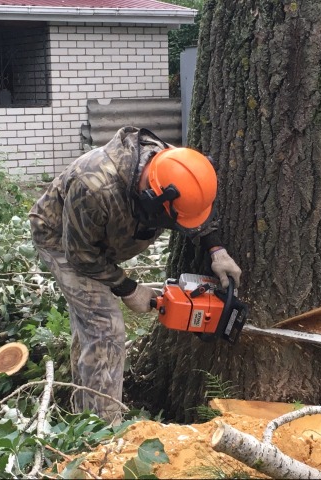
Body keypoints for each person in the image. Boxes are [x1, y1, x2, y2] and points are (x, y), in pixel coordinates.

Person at [29, 127, 242, 423]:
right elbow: (82, 255)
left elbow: (193, 207)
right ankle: (101, 431)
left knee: (91, 327)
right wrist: (128, 288)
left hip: (105, 237)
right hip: (64, 242)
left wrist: (216, 249)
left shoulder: (175, 166)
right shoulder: (94, 185)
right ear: (152, 197)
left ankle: (82, 410)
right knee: (105, 328)